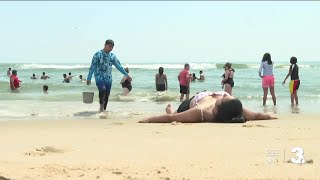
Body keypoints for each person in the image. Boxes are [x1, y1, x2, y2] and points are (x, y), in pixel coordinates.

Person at [139, 90, 277, 123]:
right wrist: (273, 117)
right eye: (227, 95)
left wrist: (148, 119)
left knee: (174, 113)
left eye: (224, 98)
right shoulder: (235, 107)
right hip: (205, 94)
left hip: (192, 102)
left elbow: (171, 119)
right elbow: (258, 115)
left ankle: (170, 107)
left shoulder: (201, 112)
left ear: (216, 109)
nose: (223, 95)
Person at [87, 39, 132, 112]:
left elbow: (119, 67)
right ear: (105, 45)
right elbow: (93, 66)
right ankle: (101, 106)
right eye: (109, 46)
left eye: (112, 47)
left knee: (107, 95)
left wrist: (127, 75)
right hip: (99, 77)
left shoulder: (112, 56)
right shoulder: (98, 54)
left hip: (108, 79)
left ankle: (103, 110)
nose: (111, 49)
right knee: (103, 90)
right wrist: (89, 78)